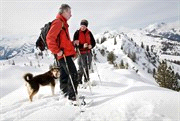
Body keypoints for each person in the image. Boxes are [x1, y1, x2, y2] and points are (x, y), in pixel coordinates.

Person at [46, 4, 79, 102]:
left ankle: (64, 93)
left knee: (64, 74)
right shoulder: (58, 23)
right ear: (64, 12)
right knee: (73, 74)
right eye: (69, 12)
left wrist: (73, 43)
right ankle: (72, 97)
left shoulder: (63, 24)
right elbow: (49, 38)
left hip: (64, 54)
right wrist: (57, 51)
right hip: (63, 55)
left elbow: (64, 42)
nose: (71, 15)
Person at [73, 19, 96, 85]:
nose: (83, 27)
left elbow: (93, 42)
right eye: (82, 26)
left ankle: (87, 79)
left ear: (86, 27)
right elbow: (74, 43)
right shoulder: (77, 33)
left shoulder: (89, 33)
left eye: (84, 26)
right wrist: (82, 45)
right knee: (81, 67)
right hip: (81, 52)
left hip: (88, 52)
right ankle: (79, 80)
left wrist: (91, 46)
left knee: (88, 66)